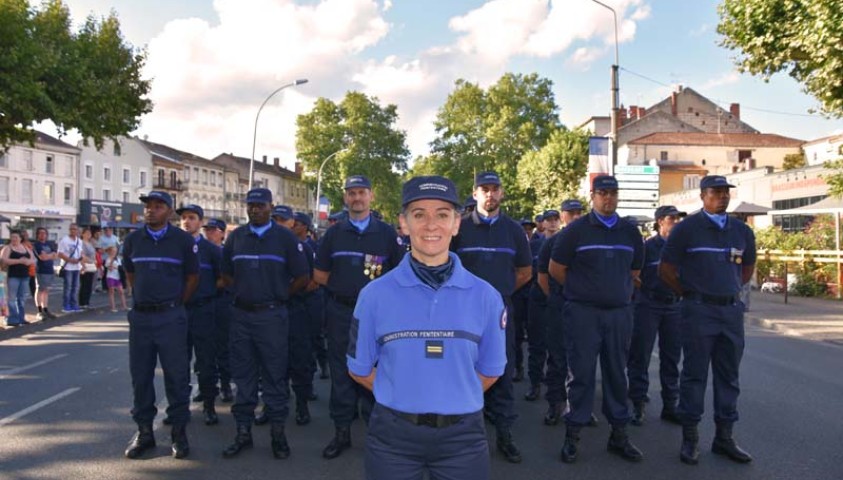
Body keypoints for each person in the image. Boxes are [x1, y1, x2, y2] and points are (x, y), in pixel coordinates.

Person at [348, 175, 507, 480]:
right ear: (404, 224)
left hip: (463, 439)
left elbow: (491, 370)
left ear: (456, 224)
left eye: (443, 215)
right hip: (392, 438)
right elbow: (359, 368)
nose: (431, 225)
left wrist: (450, 397)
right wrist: (404, 396)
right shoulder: (373, 296)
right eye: (419, 214)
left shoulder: (486, 296)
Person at [659, 175, 756, 465]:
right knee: (695, 375)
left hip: (729, 312)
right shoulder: (686, 229)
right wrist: (688, 294)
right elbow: (666, 270)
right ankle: (690, 438)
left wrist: (728, 291)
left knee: (729, 376)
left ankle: (724, 438)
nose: (723, 197)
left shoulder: (741, 230)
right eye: (716, 192)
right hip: (698, 311)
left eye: (726, 192)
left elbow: (747, 267)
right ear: (702, 195)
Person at [549, 175, 644, 463]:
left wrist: (613, 293)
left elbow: (635, 273)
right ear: (593, 196)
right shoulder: (575, 231)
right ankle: (573, 435)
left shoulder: (630, 232)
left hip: (618, 315)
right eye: (602, 193)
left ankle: (619, 436)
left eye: (613, 193)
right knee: (581, 375)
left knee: (617, 375)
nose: (608, 198)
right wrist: (583, 292)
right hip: (583, 314)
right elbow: (556, 269)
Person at [313, 175, 405, 460]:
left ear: (371, 196)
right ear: (345, 198)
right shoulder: (333, 234)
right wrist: (349, 294)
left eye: (361, 192)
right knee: (342, 373)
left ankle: (377, 435)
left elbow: (401, 274)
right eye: (351, 193)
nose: (356, 198)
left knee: (376, 373)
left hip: (378, 316)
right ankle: (342, 433)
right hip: (341, 313)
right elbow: (320, 275)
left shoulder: (387, 234)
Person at [221, 188, 309, 460]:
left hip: (272, 317)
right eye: (251, 205)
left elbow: (302, 276)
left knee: (274, 376)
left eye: (260, 205)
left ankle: (278, 435)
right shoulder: (236, 237)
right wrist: (245, 294)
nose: (254, 209)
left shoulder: (284, 238)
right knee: (243, 377)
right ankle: (243, 433)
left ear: (271, 206)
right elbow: (225, 274)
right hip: (241, 317)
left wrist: (279, 296)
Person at [451, 171, 532, 464]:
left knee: (500, 371)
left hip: (499, 314)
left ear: (501, 193)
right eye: (484, 189)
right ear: (475, 194)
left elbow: (524, 272)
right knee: (462, 373)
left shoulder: (513, 230)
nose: (490, 194)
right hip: (462, 314)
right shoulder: (459, 228)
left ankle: (504, 436)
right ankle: (460, 438)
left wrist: (499, 294)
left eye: (495, 188)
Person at [122, 191, 199, 460]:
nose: (150, 210)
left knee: (177, 376)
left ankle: (179, 432)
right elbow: (130, 274)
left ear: (169, 211)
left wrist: (175, 304)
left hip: (171, 316)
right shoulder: (133, 240)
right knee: (140, 376)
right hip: (142, 318)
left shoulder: (182, 241)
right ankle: (145, 433)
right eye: (148, 206)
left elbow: (192, 277)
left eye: (158, 206)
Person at [628, 205, 686, 426]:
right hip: (648, 304)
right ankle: (638, 404)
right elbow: (634, 274)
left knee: (671, 357)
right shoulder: (647, 248)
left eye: (678, 219)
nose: (676, 222)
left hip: (674, 305)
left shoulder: (681, 248)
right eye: (672, 218)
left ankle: (670, 405)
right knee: (640, 355)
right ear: (660, 221)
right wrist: (645, 290)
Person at [538, 200, 588, 426]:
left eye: (579, 213)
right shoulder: (554, 242)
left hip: (585, 308)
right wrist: (561, 298)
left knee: (581, 360)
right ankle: (554, 404)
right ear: (563, 216)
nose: (576, 216)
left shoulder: (589, 240)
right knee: (557, 358)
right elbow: (542, 278)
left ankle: (580, 406)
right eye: (571, 213)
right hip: (559, 305)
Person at [176, 203, 222, 426]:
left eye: (192, 217)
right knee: (177, 362)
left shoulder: (211, 250)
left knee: (206, 361)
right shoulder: (173, 247)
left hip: (204, 309)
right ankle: (178, 407)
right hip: (179, 311)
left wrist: (207, 292)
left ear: (200, 222)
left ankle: (209, 405)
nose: (187, 221)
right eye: (183, 217)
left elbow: (223, 278)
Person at [523, 209, 562, 402]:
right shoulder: (534, 245)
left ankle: (556, 389)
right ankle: (535, 383)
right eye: (549, 220)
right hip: (538, 298)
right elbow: (528, 271)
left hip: (560, 299)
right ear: (543, 223)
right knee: (536, 343)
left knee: (558, 347)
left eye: (556, 219)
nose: (553, 223)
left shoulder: (565, 242)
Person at [202, 218, 234, 403]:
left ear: (222, 233)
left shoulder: (225, 253)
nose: (209, 233)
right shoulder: (201, 251)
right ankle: (207, 386)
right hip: (204, 304)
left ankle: (225, 384)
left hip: (222, 301)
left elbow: (228, 278)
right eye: (207, 230)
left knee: (223, 347)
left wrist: (210, 286)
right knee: (205, 349)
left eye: (213, 230)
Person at [1, 230, 36, 327]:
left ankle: (21, 317)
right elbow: (4, 260)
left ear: (21, 238)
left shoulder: (25, 248)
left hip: (25, 276)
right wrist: (19, 261)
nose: (14, 239)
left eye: (16, 237)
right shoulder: (8, 248)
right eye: (12, 237)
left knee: (22, 298)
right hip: (13, 276)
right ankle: (12, 318)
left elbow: (32, 259)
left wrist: (27, 262)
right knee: (11, 298)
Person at [32, 227, 58, 321]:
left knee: (46, 291)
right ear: (37, 235)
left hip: (49, 270)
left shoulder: (49, 244)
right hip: (41, 270)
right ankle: (39, 311)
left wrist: (49, 256)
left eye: (44, 233)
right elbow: (42, 257)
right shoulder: (36, 245)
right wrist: (50, 255)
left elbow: (56, 255)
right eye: (40, 233)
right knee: (40, 289)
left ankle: (45, 309)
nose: (43, 235)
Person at [57, 224, 83, 313]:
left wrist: (80, 260)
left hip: (77, 267)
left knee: (75, 287)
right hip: (68, 267)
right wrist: (70, 260)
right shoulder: (64, 240)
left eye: (75, 229)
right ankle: (66, 305)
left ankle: (74, 304)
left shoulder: (79, 241)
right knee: (68, 287)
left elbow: (81, 252)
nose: (73, 231)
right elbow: (60, 253)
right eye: (71, 229)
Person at [78, 228, 98, 309]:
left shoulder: (90, 243)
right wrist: (91, 261)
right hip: (85, 265)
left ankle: (87, 301)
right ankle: (82, 302)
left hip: (92, 265)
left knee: (89, 284)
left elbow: (94, 253)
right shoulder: (82, 243)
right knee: (84, 284)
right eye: (86, 233)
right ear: (83, 234)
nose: (88, 235)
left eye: (89, 233)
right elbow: (82, 255)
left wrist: (95, 260)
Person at [104, 246, 127, 312]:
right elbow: (109, 268)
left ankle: (124, 306)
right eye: (113, 251)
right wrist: (112, 261)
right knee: (112, 292)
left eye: (115, 251)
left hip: (118, 276)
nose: (114, 252)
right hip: (111, 276)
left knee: (121, 291)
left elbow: (120, 267)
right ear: (110, 252)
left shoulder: (118, 259)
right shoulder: (108, 259)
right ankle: (113, 307)